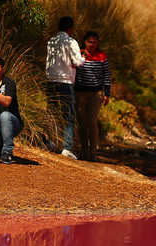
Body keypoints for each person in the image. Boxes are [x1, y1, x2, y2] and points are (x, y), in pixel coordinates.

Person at [46, 16, 85, 160]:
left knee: (52, 113)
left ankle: (51, 142)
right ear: (71, 29)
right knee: (68, 116)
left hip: (50, 80)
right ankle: (66, 147)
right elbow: (77, 61)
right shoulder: (71, 41)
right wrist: (84, 58)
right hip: (64, 82)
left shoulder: (51, 41)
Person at [74, 31, 111, 161]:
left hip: (96, 94)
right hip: (79, 93)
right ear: (84, 42)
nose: (92, 44)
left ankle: (93, 152)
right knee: (82, 123)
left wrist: (107, 93)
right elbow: (72, 68)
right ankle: (84, 151)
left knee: (92, 122)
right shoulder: (78, 54)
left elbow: (107, 75)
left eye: (95, 42)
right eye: (90, 42)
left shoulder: (102, 56)